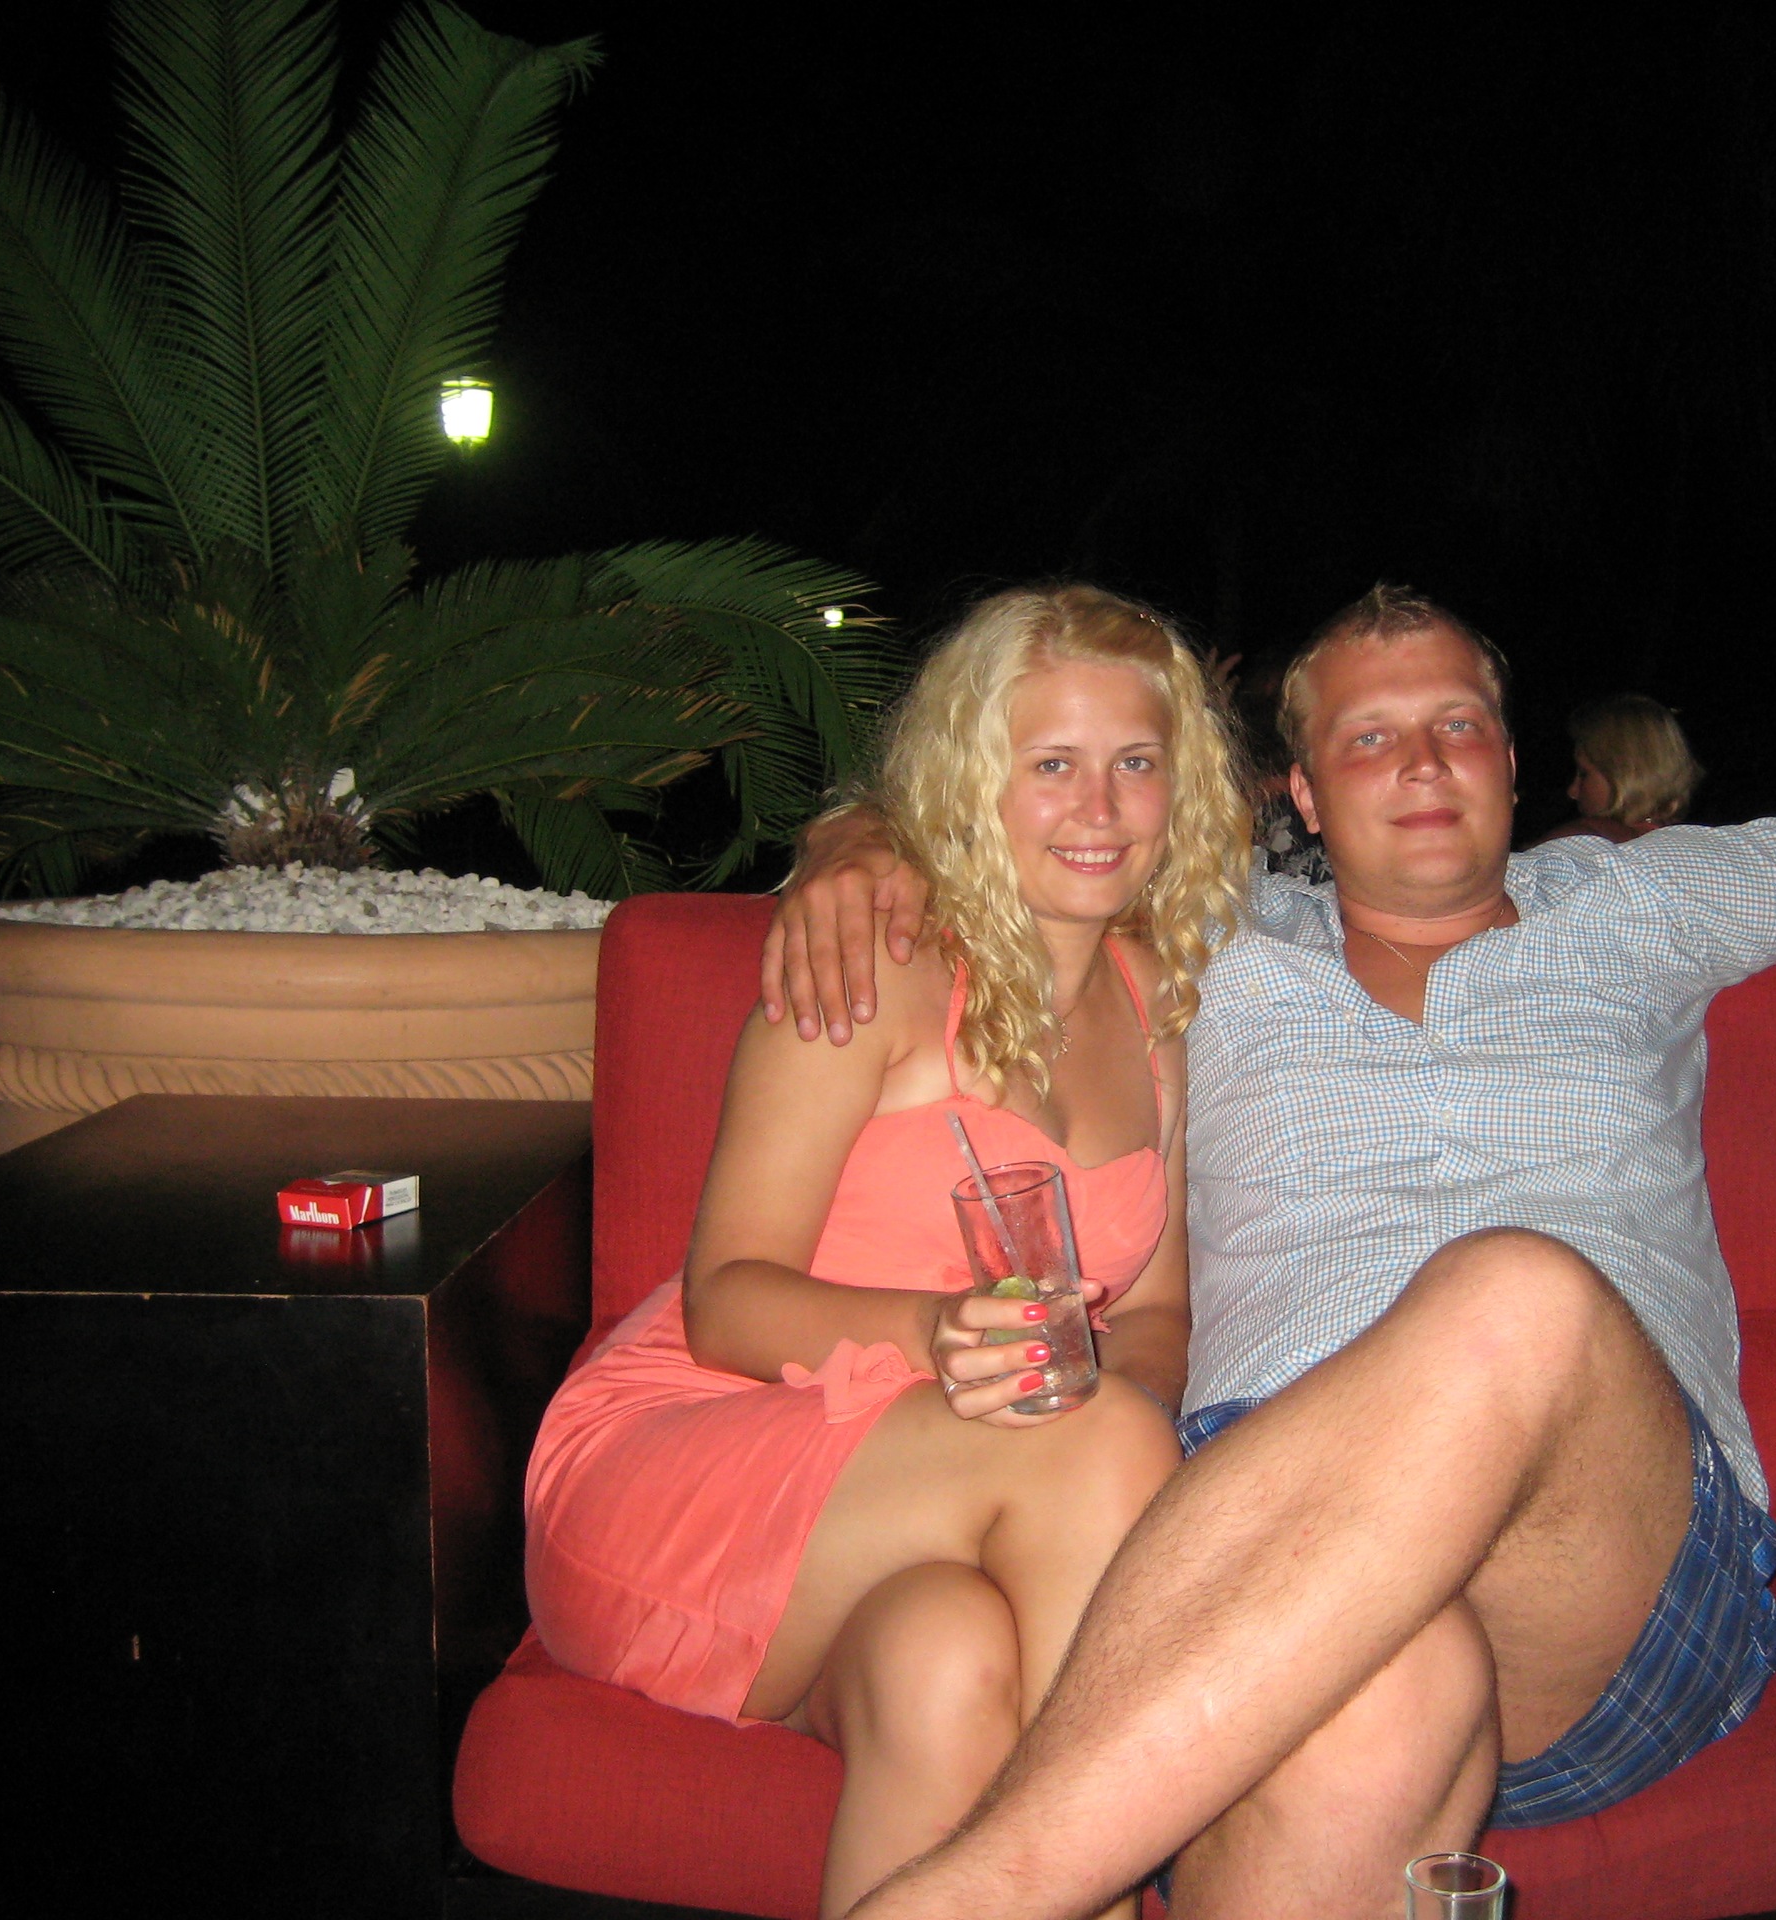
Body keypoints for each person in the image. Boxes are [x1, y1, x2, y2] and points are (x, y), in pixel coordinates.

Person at [762, 583, 1776, 1918]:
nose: (1425, 763)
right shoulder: (1207, 939)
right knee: (1387, 1697)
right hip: (1264, 1547)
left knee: (1516, 1296)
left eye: (1458, 725)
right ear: (1303, 796)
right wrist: (857, 843)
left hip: (1616, 1559)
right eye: (1370, 739)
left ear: (1512, 759)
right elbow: (1013, 810)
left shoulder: (1638, 900)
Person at [522, 585, 1248, 1920]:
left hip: (923, 1505)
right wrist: (939, 1341)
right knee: (1091, 1442)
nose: (1099, 807)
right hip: (689, 1455)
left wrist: (1104, 1442)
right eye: (1051, 764)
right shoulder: (875, 968)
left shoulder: (1159, 1008)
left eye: (1136, 763)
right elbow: (723, 1303)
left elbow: (1154, 1315)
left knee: (944, 1660)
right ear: (974, 781)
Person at [1538, 692, 1704, 845]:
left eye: (1584, 774)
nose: (1572, 792)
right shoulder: (1695, 845)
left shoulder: (1582, 839)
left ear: (1624, 773)